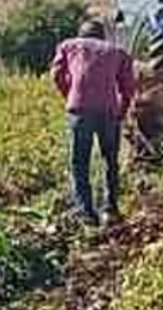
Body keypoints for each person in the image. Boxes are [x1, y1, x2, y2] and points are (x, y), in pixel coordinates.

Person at [51, 19, 136, 224]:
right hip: (108, 112)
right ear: (102, 36)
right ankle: (110, 210)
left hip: (79, 111)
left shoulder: (68, 46)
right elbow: (128, 88)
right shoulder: (117, 52)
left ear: (81, 34)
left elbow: (56, 75)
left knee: (80, 163)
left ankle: (86, 212)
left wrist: (70, 95)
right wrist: (121, 113)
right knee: (110, 162)